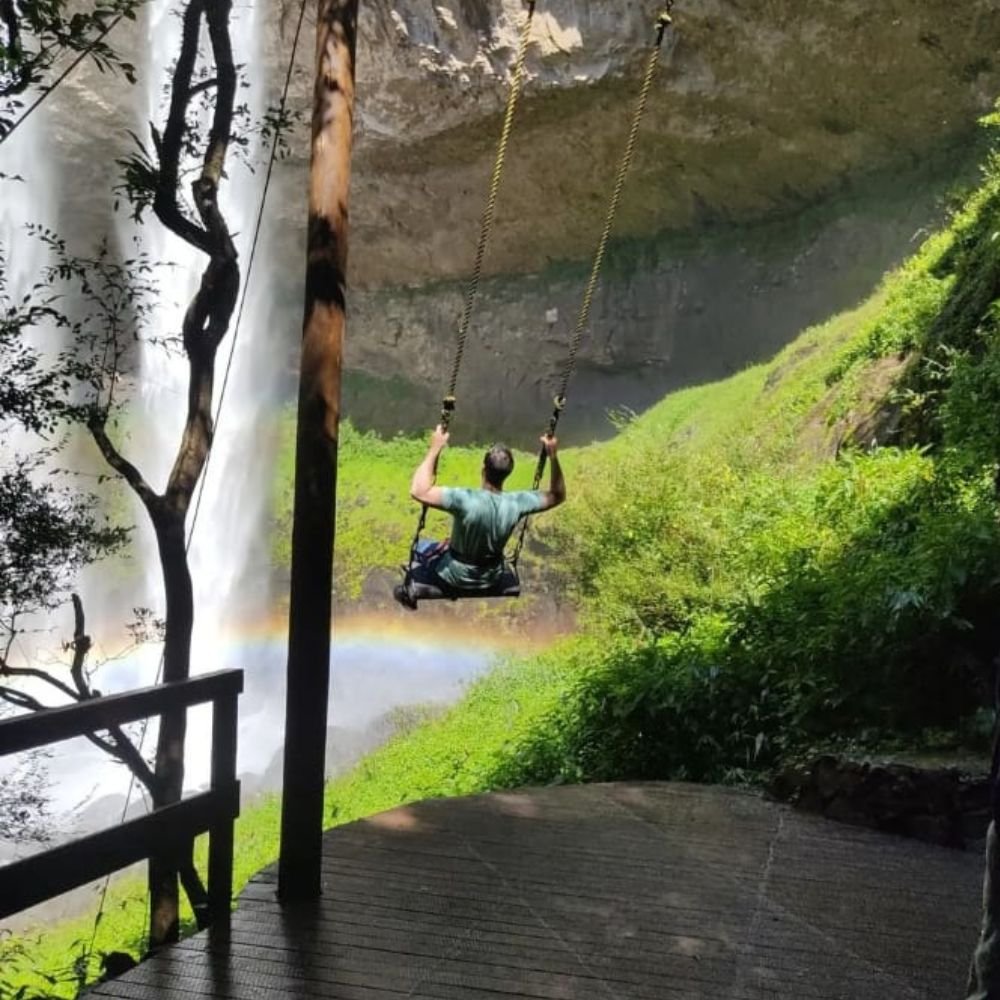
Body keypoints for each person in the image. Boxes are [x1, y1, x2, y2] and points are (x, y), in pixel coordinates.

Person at [394, 425, 566, 607]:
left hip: (454, 575)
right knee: (441, 546)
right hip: (491, 577)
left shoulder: (464, 499)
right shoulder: (518, 503)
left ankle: (409, 593)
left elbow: (418, 491)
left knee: (423, 547)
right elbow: (558, 494)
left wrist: (435, 448)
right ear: (508, 473)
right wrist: (553, 456)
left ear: (483, 470)